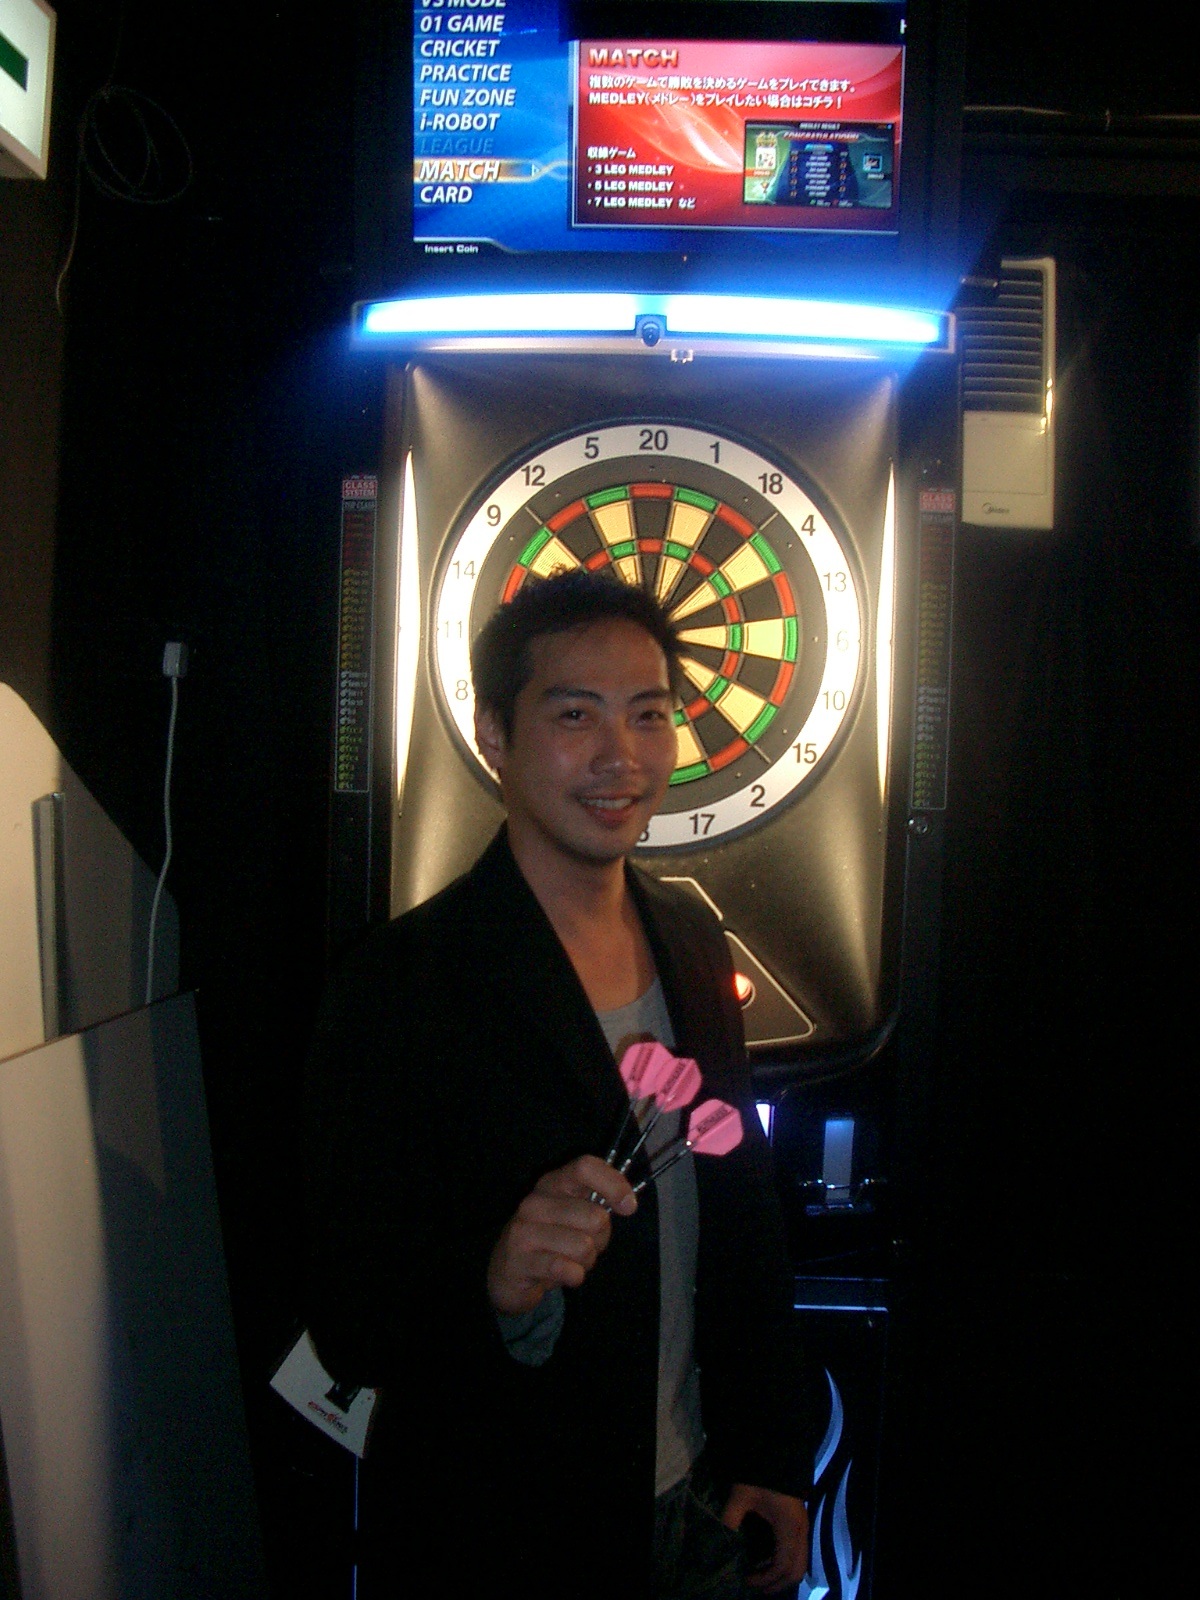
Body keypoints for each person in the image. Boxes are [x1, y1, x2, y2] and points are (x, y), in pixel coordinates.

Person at [305, 570, 813, 1599]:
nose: (620, 756)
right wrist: (490, 1276)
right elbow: (342, 1311)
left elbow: (741, 1211)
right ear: (494, 733)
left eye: (649, 714)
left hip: (698, 1507)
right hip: (503, 1533)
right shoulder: (402, 982)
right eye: (575, 715)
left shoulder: (691, 938)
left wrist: (769, 1452)